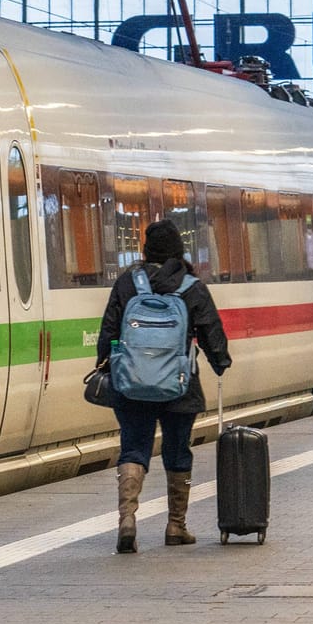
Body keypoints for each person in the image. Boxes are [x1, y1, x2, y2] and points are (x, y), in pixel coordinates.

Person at [97, 218, 231, 553]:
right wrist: (220, 363)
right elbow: (211, 332)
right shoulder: (190, 285)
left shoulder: (128, 283)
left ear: (145, 249)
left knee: (133, 449)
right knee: (177, 450)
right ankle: (176, 525)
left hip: (132, 385)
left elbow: (109, 330)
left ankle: (127, 520)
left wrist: (107, 365)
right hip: (179, 384)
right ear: (177, 250)